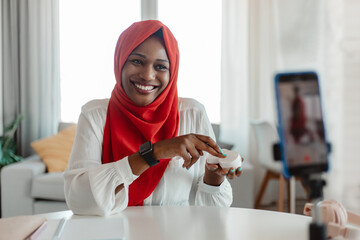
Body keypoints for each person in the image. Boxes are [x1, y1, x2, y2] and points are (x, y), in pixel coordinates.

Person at [64, 20, 242, 216]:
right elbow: (78, 199)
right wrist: (153, 153)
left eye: (160, 66)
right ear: (120, 60)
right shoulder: (95, 115)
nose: (148, 75)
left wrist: (213, 176)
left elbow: (210, 213)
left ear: (172, 72)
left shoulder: (193, 113)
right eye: (137, 61)